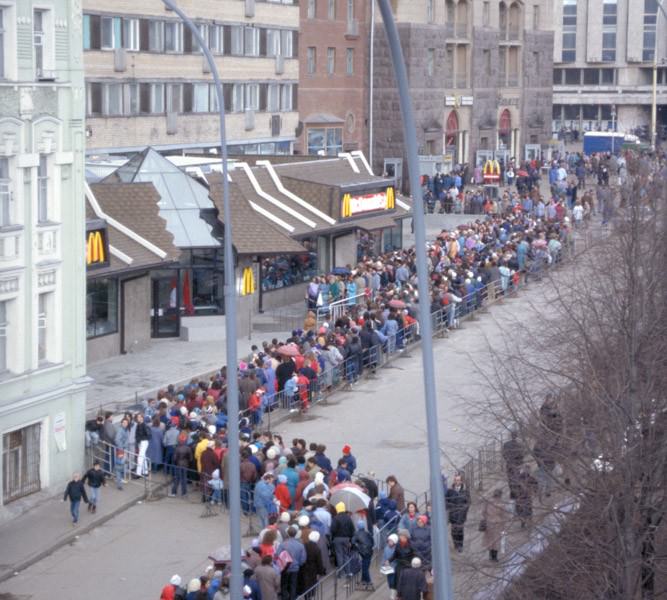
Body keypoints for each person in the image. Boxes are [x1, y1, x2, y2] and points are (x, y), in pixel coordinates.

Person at [276, 525, 306, 600]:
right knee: (293, 585)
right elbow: (303, 559)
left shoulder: (283, 544)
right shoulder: (300, 545)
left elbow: (277, 555)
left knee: (284, 585)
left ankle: (284, 598)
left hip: (285, 568)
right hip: (295, 568)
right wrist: (298, 564)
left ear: (288, 534)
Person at [445, 473, 470, 552]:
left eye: (458, 480)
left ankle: (460, 545)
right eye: (455, 480)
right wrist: (450, 506)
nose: (457, 482)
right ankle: (455, 544)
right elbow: (446, 501)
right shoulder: (450, 491)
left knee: (460, 531)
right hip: (453, 514)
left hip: (461, 514)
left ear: (461, 481)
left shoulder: (465, 491)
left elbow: (468, 502)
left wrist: (464, 510)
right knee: (453, 531)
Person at [330, 502, 355, 576]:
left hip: (337, 539)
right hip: (346, 539)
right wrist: (350, 539)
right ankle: (348, 572)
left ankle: (340, 572)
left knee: (339, 555)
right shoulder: (348, 518)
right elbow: (352, 529)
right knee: (346, 555)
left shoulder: (335, 518)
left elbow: (332, 530)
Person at [482, 488, 507, 562]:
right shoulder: (501, 504)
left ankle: (490, 555)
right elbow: (503, 515)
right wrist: (504, 525)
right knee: (496, 540)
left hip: (489, 522)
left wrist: (487, 518)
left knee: (490, 540)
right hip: (498, 523)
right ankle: (494, 557)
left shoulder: (487, 502)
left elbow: (483, 512)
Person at [300, 530, 326, 597]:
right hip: (313, 568)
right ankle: (311, 595)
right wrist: (321, 571)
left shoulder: (304, 545)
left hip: (304, 566)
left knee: (305, 582)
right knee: (312, 583)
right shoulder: (317, 548)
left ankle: (306, 595)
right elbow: (319, 561)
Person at [352, 520, 375, 591]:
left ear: (358, 526)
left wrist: (357, 547)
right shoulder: (368, 533)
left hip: (363, 552)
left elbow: (353, 542)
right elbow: (373, 542)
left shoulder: (356, 533)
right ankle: (363, 580)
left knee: (365, 569)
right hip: (370, 551)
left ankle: (369, 582)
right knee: (365, 566)